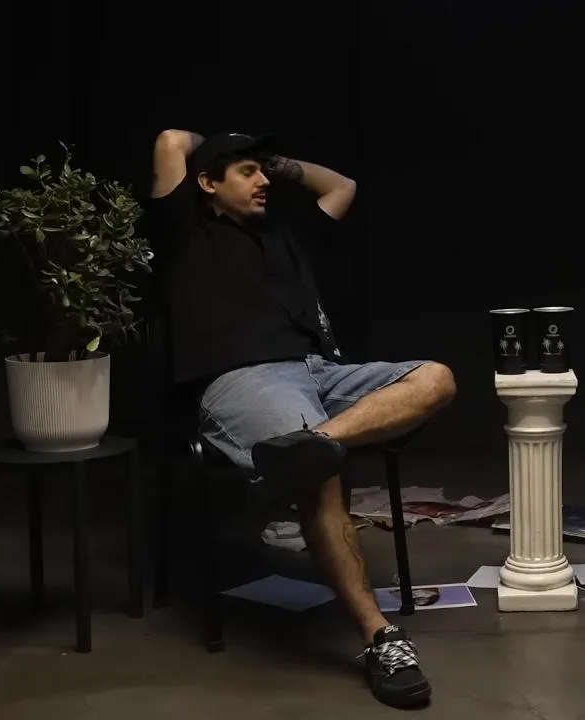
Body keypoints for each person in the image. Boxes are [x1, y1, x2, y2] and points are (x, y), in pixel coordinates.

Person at [146, 129, 455, 709]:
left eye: (263, 171)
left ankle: (310, 443)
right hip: (242, 377)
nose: (263, 181)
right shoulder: (184, 230)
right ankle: (380, 636)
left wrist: (268, 160)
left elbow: (343, 186)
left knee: (435, 378)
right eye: (246, 172)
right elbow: (170, 140)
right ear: (207, 182)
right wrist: (223, 142)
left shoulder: (284, 233)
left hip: (319, 373)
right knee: (321, 474)